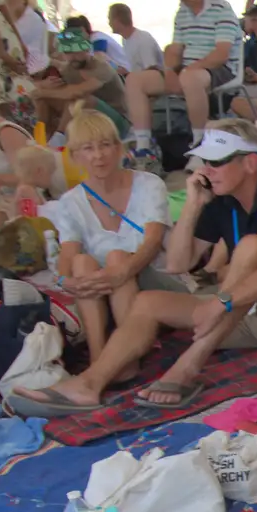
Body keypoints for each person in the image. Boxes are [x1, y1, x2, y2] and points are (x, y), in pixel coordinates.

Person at [10, 121, 257, 415]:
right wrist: (194, 205)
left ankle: (187, 367)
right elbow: (177, 263)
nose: (207, 169)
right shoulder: (222, 199)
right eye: (205, 161)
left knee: (255, 247)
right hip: (251, 316)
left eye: (217, 161)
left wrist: (220, 302)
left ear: (251, 162)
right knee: (147, 303)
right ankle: (89, 383)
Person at [42, 111, 176, 373]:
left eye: (105, 145)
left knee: (117, 257)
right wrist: (64, 279)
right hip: (104, 294)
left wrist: (122, 270)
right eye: (88, 148)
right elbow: (68, 254)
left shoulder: (149, 184)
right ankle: (99, 357)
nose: (98, 155)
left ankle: (126, 359)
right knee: (81, 263)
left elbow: (152, 243)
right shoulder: (70, 202)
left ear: (118, 148)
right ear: (74, 156)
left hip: (154, 282)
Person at [125, 0, 244, 163]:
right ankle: (144, 147)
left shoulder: (221, 8)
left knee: (190, 78)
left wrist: (187, 71)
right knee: (135, 80)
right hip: (187, 69)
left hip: (220, 69)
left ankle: (200, 145)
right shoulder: (182, 12)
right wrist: (169, 72)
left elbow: (221, 54)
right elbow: (174, 49)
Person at [31, 29, 130, 135]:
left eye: (76, 51)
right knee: (47, 98)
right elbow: (58, 90)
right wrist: (43, 88)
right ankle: (42, 136)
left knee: (81, 99)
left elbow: (77, 92)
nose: (73, 57)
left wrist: (40, 92)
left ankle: (58, 140)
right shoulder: (69, 69)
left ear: (87, 49)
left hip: (118, 122)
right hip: (91, 117)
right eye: (68, 52)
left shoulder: (102, 68)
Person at [108, 2, 164, 74]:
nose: (109, 23)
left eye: (110, 19)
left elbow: (152, 72)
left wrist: (128, 75)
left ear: (117, 20)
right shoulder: (125, 40)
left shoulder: (143, 40)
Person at [65, 14, 130, 73]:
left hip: (124, 71)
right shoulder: (89, 41)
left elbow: (101, 60)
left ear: (82, 29)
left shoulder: (97, 38)